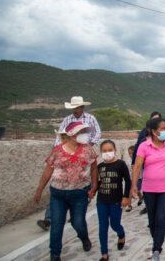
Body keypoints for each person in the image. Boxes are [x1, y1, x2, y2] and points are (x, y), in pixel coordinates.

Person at [34, 122, 98, 261]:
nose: (84, 135)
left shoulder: (88, 150)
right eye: (81, 132)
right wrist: (39, 189)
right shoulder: (57, 150)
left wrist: (94, 187)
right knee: (57, 224)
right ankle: (55, 254)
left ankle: (84, 238)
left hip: (79, 193)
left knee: (78, 222)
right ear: (71, 135)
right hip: (58, 194)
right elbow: (48, 170)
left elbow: (93, 168)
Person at [37, 96, 102, 232]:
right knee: (59, 185)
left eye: (77, 107)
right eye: (73, 108)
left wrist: (88, 146)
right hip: (67, 155)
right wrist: (58, 151)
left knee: (83, 181)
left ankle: (79, 210)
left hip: (84, 155)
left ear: (82, 108)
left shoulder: (90, 119)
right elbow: (59, 137)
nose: (74, 110)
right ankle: (49, 218)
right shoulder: (67, 120)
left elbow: (97, 133)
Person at [131, 118, 165, 261]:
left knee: (161, 217)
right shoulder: (144, 146)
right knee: (152, 219)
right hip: (149, 188)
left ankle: (156, 248)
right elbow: (137, 167)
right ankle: (157, 242)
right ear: (154, 132)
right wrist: (133, 186)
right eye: (163, 128)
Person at [96, 140, 131, 261]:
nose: (107, 153)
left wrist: (126, 196)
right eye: (104, 151)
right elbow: (97, 183)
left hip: (116, 200)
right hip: (101, 200)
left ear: (115, 150)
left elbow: (128, 181)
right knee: (103, 226)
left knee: (115, 224)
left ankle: (121, 234)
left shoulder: (120, 164)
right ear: (101, 152)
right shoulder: (100, 167)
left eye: (110, 150)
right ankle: (104, 253)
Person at [132, 112, 161, 216]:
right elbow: (137, 145)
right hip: (146, 164)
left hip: (160, 167)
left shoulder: (164, 134)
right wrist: (133, 162)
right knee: (146, 183)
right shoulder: (143, 137)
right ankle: (148, 204)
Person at [125, 145, 135, 212]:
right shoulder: (128, 161)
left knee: (137, 191)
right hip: (130, 178)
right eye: (129, 153)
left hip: (137, 178)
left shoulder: (138, 160)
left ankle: (140, 198)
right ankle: (129, 205)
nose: (131, 155)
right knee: (130, 192)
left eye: (132, 153)